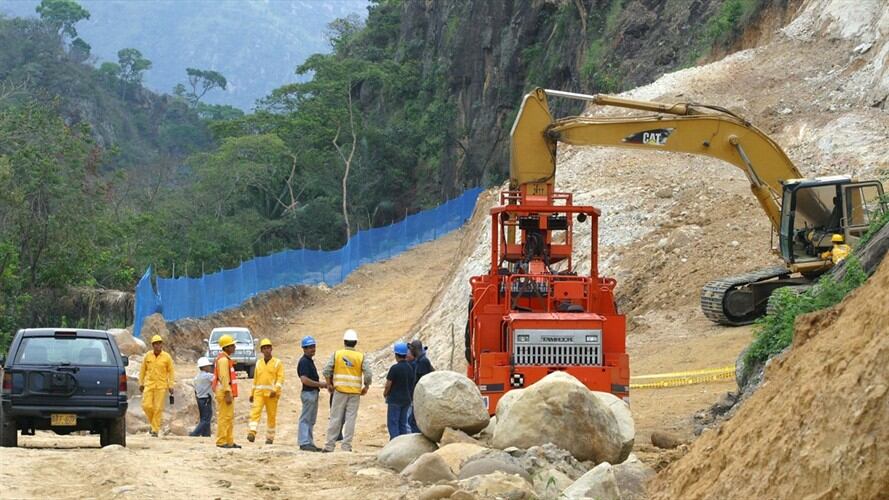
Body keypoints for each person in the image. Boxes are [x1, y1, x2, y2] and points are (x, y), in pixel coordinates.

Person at [322, 329, 372, 452]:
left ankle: (329, 445)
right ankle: (346, 446)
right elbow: (368, 374)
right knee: (351, 419)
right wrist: (366, 386)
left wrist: (329, 384)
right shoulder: (361, 356)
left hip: (339, 391)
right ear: (356, 342)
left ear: (344, 341)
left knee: (335, 418)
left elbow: (326, 370)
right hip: (355, 392)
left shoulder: (337, 354)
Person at [247, 338, 285, 444]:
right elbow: (255, 379)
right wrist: (252, 393)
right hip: (259, 393)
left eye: (268, 348)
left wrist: (275, 390)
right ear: (261, 350)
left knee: (271, 415)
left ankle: (270, 437)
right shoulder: (258, 363)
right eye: (264, 348)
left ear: (271, 349)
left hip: (272, 394)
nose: (267, 350)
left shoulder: (277, 363)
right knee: (255, 412)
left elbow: (280, 378)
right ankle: (252, 432)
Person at [138, 334, 174, 437]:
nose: (158, 345)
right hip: (149, 384)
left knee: (158, 408)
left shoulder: (167, 357)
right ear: (152, 345)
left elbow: (171, 372)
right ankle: (153, 424)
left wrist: (171, 385)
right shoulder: (147, 356)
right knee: (146, 406)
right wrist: (141, 383)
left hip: (161, 386)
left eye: (159, 343)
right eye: (156, 344)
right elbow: (142, 370)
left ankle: (155, 430)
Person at [297, 335, 327, 451]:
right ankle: (304, 442)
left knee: (311, 419)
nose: (312, 349)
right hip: (308, 393)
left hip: (313, 393)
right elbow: (304, 380)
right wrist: (320, 384)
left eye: (313, 346)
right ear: (304, 349)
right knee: (306, 418)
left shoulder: (309, 361)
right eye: (309, 347)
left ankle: (309, 442)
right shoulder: (304, 362)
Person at [213, 334, 241, 448]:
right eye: (232, 345)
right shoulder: (223, 360)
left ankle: (229, 441)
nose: (234, 347)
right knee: (224, 417)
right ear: (227, 347)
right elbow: (224, 378)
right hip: (225, 392)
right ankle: (221, 441)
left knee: (229, 417)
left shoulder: (225, 359)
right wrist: (228, 393)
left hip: (225, 391)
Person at [384, 342, 413, 440]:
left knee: (393, 423)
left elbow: (388, 384)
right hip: (406, 400)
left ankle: (394, 443)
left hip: (395, 400)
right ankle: (402, 444)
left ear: (396, 355)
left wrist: (385, 393)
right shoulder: (410, 368)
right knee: (402, 423)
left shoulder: (394, 368)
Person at [407, 339, 434, 433]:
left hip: (421, 396)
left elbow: (423, 381)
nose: (410, 352)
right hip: (418, 396)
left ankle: (419, 438)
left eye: (411, 349)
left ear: (414, 349)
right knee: (412, 420)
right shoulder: (420, 360)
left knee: (413, 421)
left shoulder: (423, 362)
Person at [189, 357, 214, 437]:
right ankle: (195, 433)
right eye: (208, 366)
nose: (210, 367)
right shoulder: (207, 376)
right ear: (205, 367)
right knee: (206, 418)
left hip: (200, 399)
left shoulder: (197, 377)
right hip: (206, 399)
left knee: (203, 417)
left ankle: (206, 434)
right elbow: (217, 378)